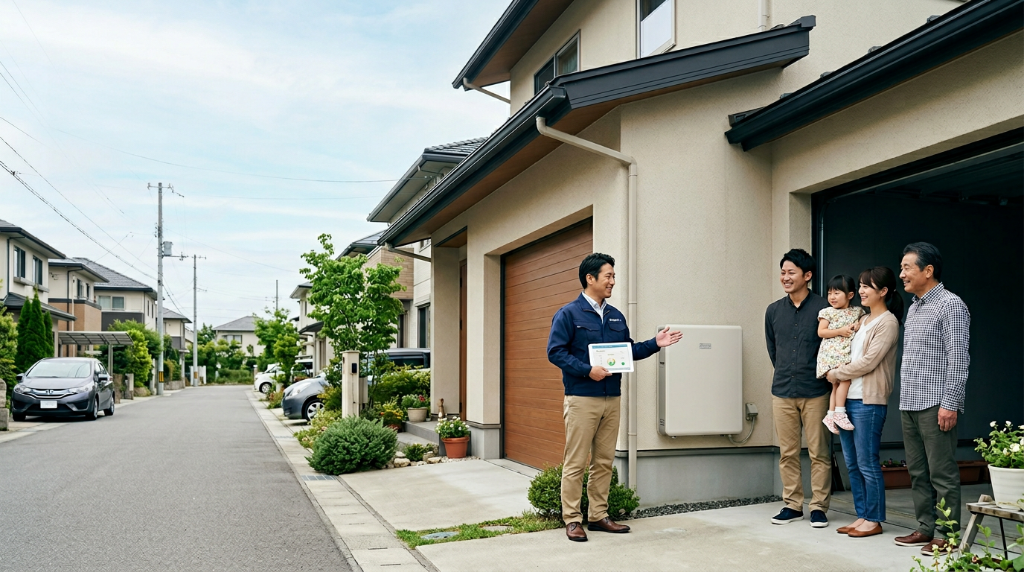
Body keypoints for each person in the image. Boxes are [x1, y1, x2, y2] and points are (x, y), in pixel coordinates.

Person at [547, 253, 682, 542]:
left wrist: (654, 345)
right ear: (590, 278)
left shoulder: (616, 315)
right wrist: (587, 370)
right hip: (582, 397)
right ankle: (572, 519)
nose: (613, 281)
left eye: (613, 276)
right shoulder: (568, 314)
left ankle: (598, 515)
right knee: (575, 462)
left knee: (605, 460)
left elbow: (627, 351)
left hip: (612, 398)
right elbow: (555, 352)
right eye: (608, 275)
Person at [893, 242, 970, 556]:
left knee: (942, 472)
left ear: (928, 270)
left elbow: (958, 357)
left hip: (936, 403)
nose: (902, 274)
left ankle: (948, 534)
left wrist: (950, 402)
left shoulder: (951, 305)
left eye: (907, 267)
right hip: (910, 402)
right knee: (917, 471)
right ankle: (925, 528)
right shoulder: (914, 306)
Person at [827, 267, 903, 539]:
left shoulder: (888, 323)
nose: (860, 291)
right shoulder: (864, 319)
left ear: (883, 291)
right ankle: (862, 516)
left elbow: (869, 362)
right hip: (848, 400)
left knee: (867, 462)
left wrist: (836, 373)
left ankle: (874, 519)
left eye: (867, 286)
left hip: (868, 401)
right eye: (859, 285)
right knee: (852, 463)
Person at [765, 248, 833, 528]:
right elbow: (773, 350)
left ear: (807, 275)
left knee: (819, 452)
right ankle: (792, 505)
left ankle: (818, 506)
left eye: (791, 272)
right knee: (787, 452)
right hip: (782, 391)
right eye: (783, 272)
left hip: (816, 391)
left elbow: (831, 348)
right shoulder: (773, 310)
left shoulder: (824, 309)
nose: (785, 277)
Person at [817, 274, 866, 434]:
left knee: (836, 385)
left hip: (845, 353)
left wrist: (858, 325)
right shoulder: (828, 312)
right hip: (831, 354)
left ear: (850, 295)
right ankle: (840, 412)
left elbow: (863, 322)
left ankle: (830, 415)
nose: (832, 297)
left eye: (837, 293)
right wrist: (840, 331)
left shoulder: (858, 311)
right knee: (843, 381)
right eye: (830, 293)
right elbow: (821, 332)